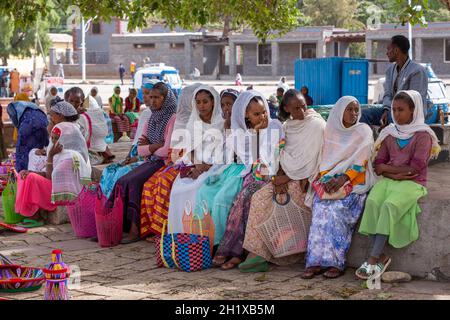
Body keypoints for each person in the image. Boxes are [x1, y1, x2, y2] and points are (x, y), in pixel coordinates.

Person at [355, 90, 440, 280]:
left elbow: (416, 168)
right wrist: (395, 171)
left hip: (414, 184)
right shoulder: (390, 132)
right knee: (372, 203)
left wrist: (389, 168)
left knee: (389, 206)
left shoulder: (423, 135)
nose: (396, 114)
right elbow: (378, 165)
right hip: (390, 180)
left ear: (413, 111)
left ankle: (373, 258)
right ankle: (382, 256)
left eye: (401, 110)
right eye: (394, 109)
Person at [240, 89, 326, 272]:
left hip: (306, 179)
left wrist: (286, 178)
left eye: (303, 106)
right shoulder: (287, 127)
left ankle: (282, 253)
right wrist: (279, 177)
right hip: (286, 176)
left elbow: (311, 161)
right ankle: (258, 253)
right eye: (295, 109)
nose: (301, 112)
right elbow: (281, 155)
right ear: (286, 109)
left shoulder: (316, 125)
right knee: (259, 198)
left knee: (278, 201)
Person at [302, 96, 376, 279]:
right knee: (320, 211)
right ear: (339, 111)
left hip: (354, 184)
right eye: (349, 109)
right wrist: (328, 179)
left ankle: (336, 262)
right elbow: (325, 161)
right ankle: (315, 262)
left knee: (336, 211)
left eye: (356, 110)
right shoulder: (330, 132)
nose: (354, 113)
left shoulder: (363, 131)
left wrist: (343, 178)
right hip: (330, 182)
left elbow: (362, 162)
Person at [212, 90, 284, 270]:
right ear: (245, 114)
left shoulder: (275, 126)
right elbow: (251, 159)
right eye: (256, 114)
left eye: (264, 112)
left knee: (245, 198)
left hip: (273, 175)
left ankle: (234, 252)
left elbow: (277, 154)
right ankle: (233, 251)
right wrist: (257, 134)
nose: (262, 117)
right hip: (255, 174)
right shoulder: (240, 134)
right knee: (240, 200)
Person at [111, 82, 177, 244]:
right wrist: (155, 146)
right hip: (151, 160)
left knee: (133, 182)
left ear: (166, 98)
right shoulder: (152, 117)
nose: (153, 101)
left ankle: (135, 229)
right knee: (122, 181)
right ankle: (116, 226)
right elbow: (140, 150)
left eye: (157, 97)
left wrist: (150, 147)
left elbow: (166, 150)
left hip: (164, 163)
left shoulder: (172, 118)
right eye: (151, 97)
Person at [140, 83, 202, 239]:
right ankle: (154, 228)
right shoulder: (181, 119)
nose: (197, 105)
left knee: (163, 182)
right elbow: (166, 149)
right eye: (194, 101)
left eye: (202, 101)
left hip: (198, 162)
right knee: (148, 185)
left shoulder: (208, 121)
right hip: (177, 160)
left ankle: (164, 229)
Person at [15, 101, 90, 219]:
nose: (53, 140)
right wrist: (31, 171)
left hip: (61, 194)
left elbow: (50, 176)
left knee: (31, 178)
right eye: (52, 138)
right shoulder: (60, 149)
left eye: (55, 138)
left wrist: (50, 156)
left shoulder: (69, 157)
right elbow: (47, 173)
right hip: (53, 184)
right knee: (23, 174)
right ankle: (27, 212)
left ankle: (34, 216)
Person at [167, 85, 225, 234]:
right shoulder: (193, 121)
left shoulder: (222, 123)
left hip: (216, 165)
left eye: (205, 101)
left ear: (213, 102)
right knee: (178, 189)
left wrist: (205, 167)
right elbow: (189, 148)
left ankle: (199, 235)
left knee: (197, 188)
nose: (201, 106)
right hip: (195, 162)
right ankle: (180, 234)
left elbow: (224, 151)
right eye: (198, 102)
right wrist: (198, 165)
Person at [190, 88, 241, 245]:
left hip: (239, 170)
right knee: (203, 193)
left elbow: (241, 155)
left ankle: (218, 243)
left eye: (230, 104)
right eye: (224, 105)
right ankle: (200, 239)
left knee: (220, 199)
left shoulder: (243, 124)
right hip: (224, 168)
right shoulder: (225, 124)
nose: (226, 108)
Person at [99, 80, 159, 201]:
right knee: (109, 170)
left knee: (121, 174)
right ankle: (108, 208)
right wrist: (128, 156)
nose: (146, 97)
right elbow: (137, 139)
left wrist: (135, 158)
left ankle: (116, 208)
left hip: (147, 158)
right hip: (136, 154)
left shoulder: (161, 116)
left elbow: (157, 147)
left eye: (150, 94)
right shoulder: (146, 113)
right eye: (145, 93)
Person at [360, 35, 428, 127]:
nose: (386, 53)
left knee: (392, 118)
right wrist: (387, 110)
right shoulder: (390, 70)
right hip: (392, 111)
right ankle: (367, 140)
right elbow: (387, 94)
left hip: (410, 115)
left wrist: (391, 112)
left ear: (396, 50)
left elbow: (414, 100)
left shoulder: (417, 71)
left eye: (388, 49)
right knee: (364, 114)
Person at [7, 99, 49, 172]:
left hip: (27, 127)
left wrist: (19, 167)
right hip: (43, 126)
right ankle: (37, 174)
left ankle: (22, 174)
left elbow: (15, 121)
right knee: (38, 152)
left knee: (23, 150)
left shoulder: (17, 111)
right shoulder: (32, 108)